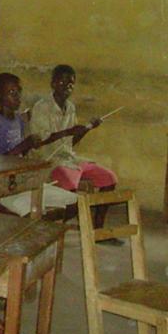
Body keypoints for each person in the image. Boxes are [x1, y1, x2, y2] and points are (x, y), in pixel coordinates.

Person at [29, 64, 118, 229]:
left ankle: (97, 230)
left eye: (71, 83)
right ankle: (56, 229)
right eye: (62, 82)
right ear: (53, 83)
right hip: (49, 160)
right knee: (70, 188)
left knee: (109, 179)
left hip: (69, 158)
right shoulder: (41, 107)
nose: (67, 87)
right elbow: (39, 141)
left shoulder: (70, 107)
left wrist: (87, 129)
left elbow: (71, 142)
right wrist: (68, 131)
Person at [0, 72, 76, 217]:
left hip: (21, 179)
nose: (17, 96)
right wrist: (24, 145)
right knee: (32, 211)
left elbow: (22, 154)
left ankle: (40, 224)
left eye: (19, 91)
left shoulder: (19, 120)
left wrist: (30, 145)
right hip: (3, 186)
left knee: (73, 203)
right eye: (11, 92)